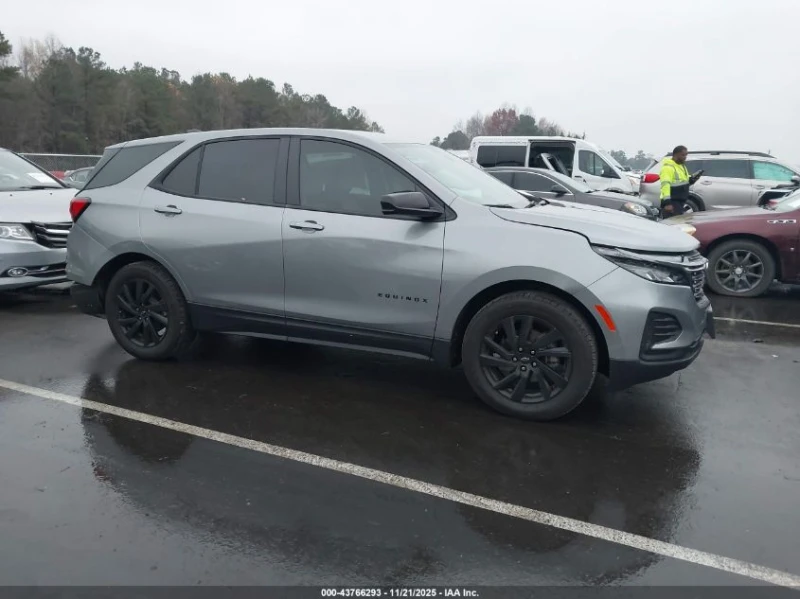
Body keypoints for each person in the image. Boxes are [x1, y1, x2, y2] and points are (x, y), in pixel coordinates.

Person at [660, 145, 702, 217]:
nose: (685, 157)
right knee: (673, 224)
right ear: (676, 154)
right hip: (673, 202)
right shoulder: (668, 167)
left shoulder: (681, 166)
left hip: (680, 201)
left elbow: (683, 181)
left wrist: (692, 179)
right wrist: (667, 203)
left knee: (678, 223)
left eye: (686, 155)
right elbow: (665, 185)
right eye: (683, 155)